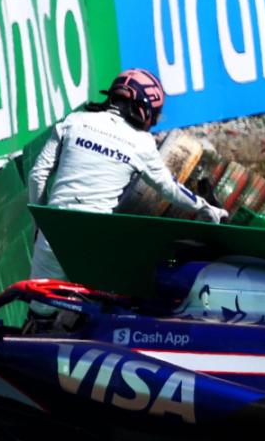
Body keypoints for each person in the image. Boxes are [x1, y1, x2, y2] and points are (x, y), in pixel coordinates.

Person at [26, 68, 226, 282]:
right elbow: (170, 189)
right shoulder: (142, 143)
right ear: (143, 109)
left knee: (40, 309)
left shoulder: (73, 121)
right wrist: (205, 208)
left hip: (54, 230)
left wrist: (42, 222)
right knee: (107, 305)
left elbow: (37, 176)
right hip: (96, 236)